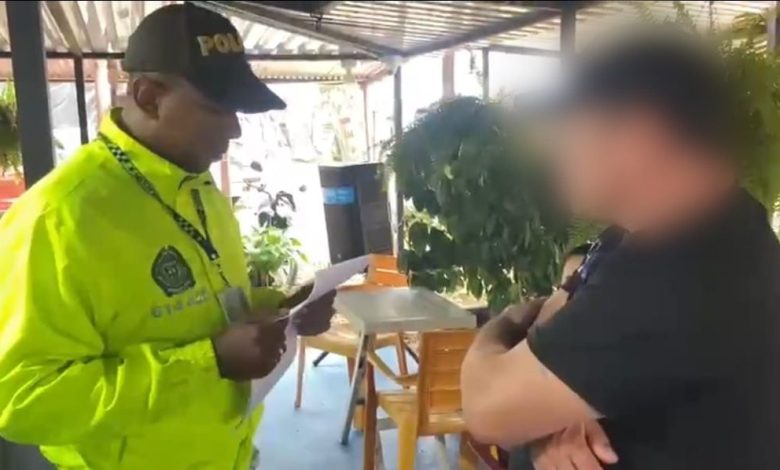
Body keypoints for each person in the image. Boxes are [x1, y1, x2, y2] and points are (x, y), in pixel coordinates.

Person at [0, 4, 335, 469]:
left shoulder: (199, 188)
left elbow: (200, 308)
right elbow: (22, 400)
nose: (235, 128)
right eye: (217, 108)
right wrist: (211, 362)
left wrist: (281, 310)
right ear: (148, 97)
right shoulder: (59, 217)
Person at [461, 26, 780, 470]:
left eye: (568, 125)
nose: (553, 147)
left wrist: (502, 327)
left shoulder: (686, 273)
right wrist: (550, 418)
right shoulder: (655, 237)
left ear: (640, 132)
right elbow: (561, 309)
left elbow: (484, 409)